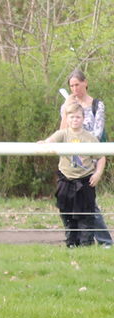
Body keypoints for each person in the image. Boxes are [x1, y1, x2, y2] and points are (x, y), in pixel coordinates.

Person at [41, 101, 113, 248]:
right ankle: (72, 243)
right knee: (67, 214)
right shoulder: (63, 134)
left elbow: (101, 157)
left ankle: (86, 245)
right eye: (72, 117)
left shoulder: (89, 137)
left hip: (85, 181)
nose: (75, 120)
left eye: (78, 117)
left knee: (86, 215)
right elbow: (49, 141)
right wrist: (44, 143)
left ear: (83, 118)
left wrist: (98, 173)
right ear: (67, 118)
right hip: (66, 180)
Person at [64, 70, 105, 141]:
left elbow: (98, 134)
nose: (75, 89)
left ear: (85, 83)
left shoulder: (97, 105)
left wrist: (78, 138)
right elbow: (62, 133)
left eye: (77, 85)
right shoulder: (67, 105)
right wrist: (66, 107)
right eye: (72, 86)